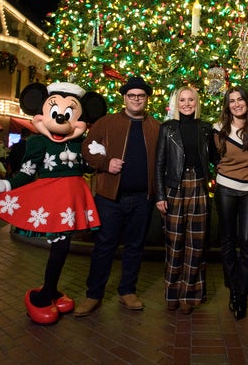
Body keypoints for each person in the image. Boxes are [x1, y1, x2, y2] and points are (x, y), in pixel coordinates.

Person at [0, 82, 107, 324]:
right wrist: (6, 185)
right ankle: (43, 295)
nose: (60, 120)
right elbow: (26, 172)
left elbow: (89, 167)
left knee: (63, 247)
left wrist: (99, 154)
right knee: (60, 248)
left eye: (69, 114)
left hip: (73, 200)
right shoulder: (38, 143)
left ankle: (52, 291)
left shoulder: (81, 143)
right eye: (55, 112)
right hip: (52, 200)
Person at [75, 75, 161, 317]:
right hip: (110, 198)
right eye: (132, 95)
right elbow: (87, 148)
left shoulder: (155, 126)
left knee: (135, 247)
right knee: (104, 247)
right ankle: (93, 295)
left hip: (143, 199)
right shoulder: (106, 123)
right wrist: (105, 163)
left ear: (146, 99)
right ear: (124, 98)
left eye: (141, 96)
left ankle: (127, 291)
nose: (136, 99)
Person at [155, 86, 218, 315]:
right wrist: (160, 195)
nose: (187, 103)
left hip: (198, 186)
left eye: (191, 99)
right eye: (183, 99)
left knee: (196, 243)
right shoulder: (167, 128)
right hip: (174, 188)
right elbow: (159, 164)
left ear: (197, 102)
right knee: (174, 243)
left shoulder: (206, 129)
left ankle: (189, 294)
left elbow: (215, 158)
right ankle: (172, 292)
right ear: (176, 103)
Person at [213, 86, 248, 319]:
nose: (236, 104)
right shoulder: (218, 129)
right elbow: (216, 158)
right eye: (232, 100)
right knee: (227, 240)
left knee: (246, 240)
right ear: (227, 105)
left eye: (240, 99)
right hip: (226, 187)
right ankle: (233, 291)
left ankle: (244, 293)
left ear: (247, 101)